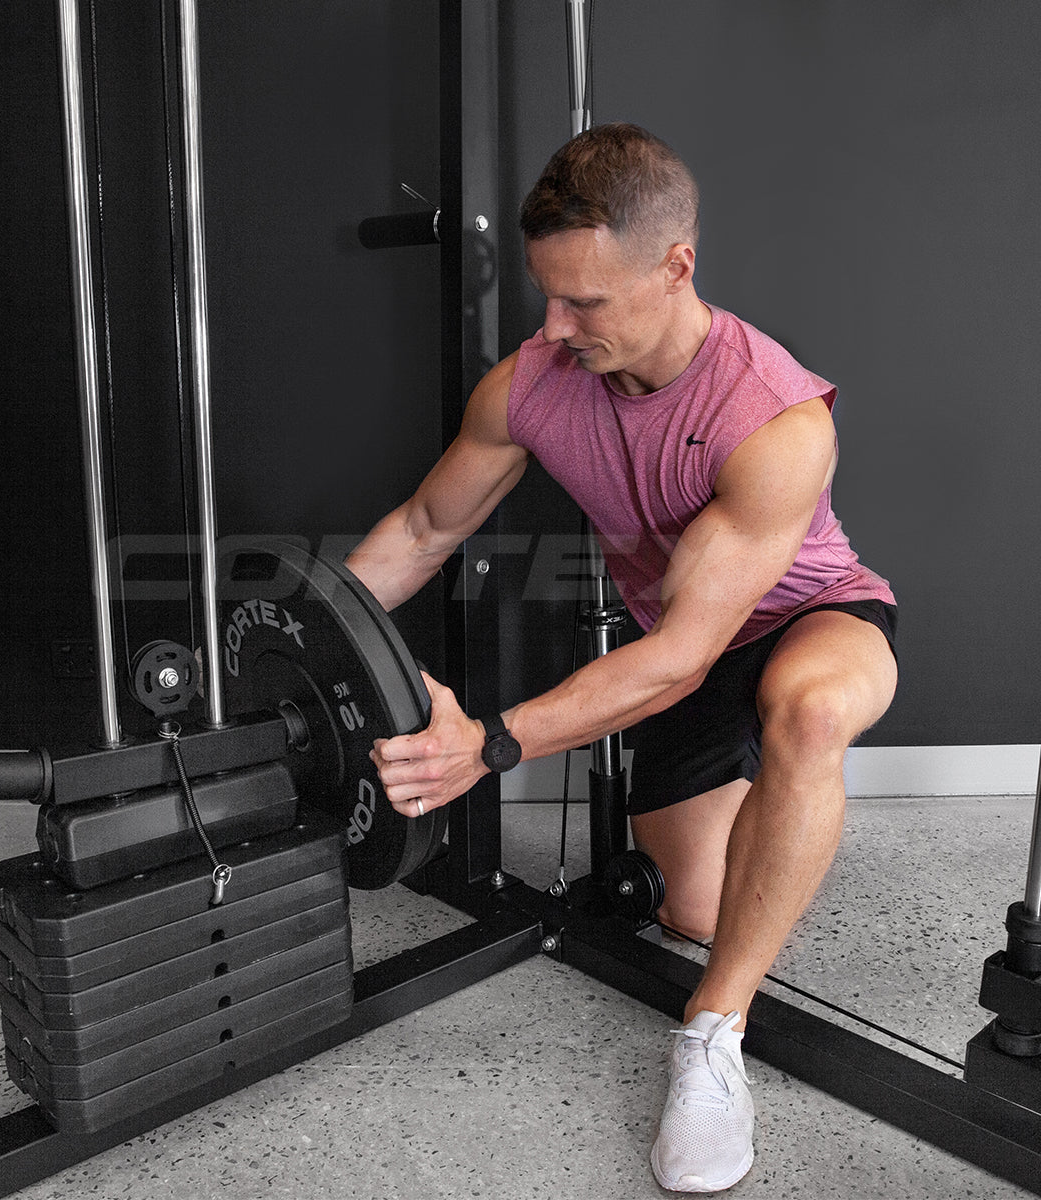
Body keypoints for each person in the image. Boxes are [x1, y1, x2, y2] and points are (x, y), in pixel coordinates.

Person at [344, 123, 898, 1194]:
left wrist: (488, 745)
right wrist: (311, 628)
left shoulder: (773, 419)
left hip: (813, 620)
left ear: (676, 266)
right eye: (547, 295)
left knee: (810, 712)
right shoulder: (534, 383)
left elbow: (681, 656)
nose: (555, 325)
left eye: (586, 302)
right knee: (695, 911)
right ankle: (782, 812)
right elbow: (422, 528)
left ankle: (714, 1037)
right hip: (685, 656)